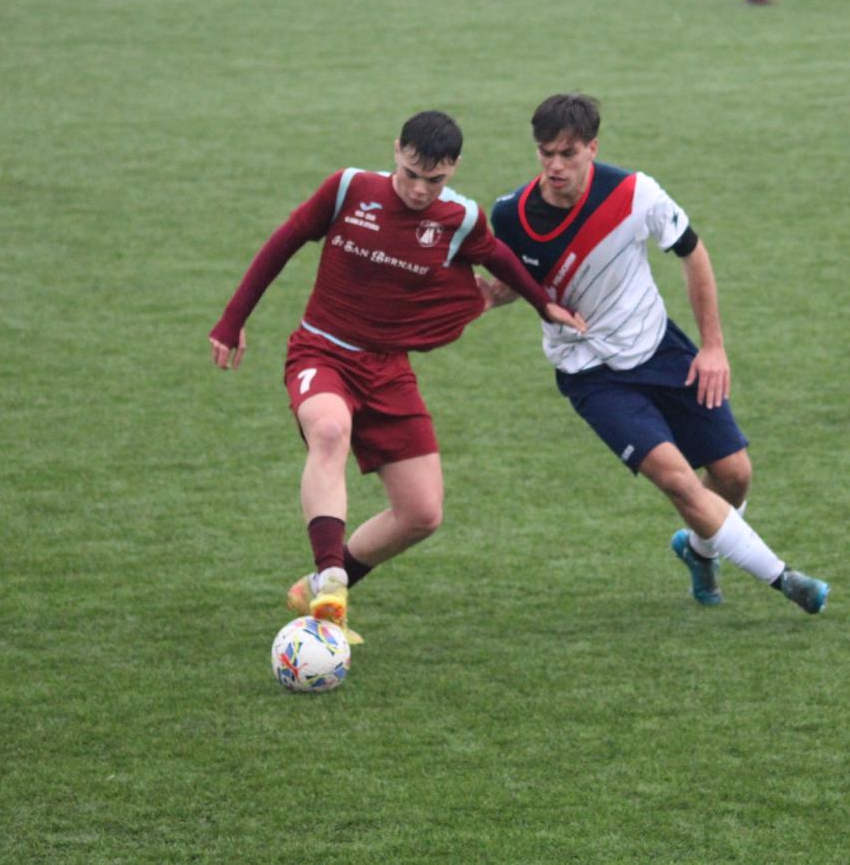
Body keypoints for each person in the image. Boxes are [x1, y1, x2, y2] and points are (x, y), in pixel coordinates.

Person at [209, 111, 586, 643]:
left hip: (387, 369)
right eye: (410, 172)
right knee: (329, 431)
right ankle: (332, 584)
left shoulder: (460, 219)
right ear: (396, 151)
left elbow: (499, 258)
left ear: (454, 168)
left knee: (421, 513)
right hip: (322, 351)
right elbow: (281, 244)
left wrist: (544, 305)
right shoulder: (348, 189)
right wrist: (233, 319)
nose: (418, 189)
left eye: (434, 179)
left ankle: (315, 585)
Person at [483, 94, 830, 614]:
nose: (555, 165)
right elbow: (515, 281)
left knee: (734, 475)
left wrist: (713, 347)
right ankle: (785, 580)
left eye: (568, 154)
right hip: (590, 373)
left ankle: (697, 550)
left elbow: (693, 253)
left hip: (660, 349)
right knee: (677, 480)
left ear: (592, 149)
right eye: (545, 153)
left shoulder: (634, 193)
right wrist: (491, 297)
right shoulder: (510, 215)